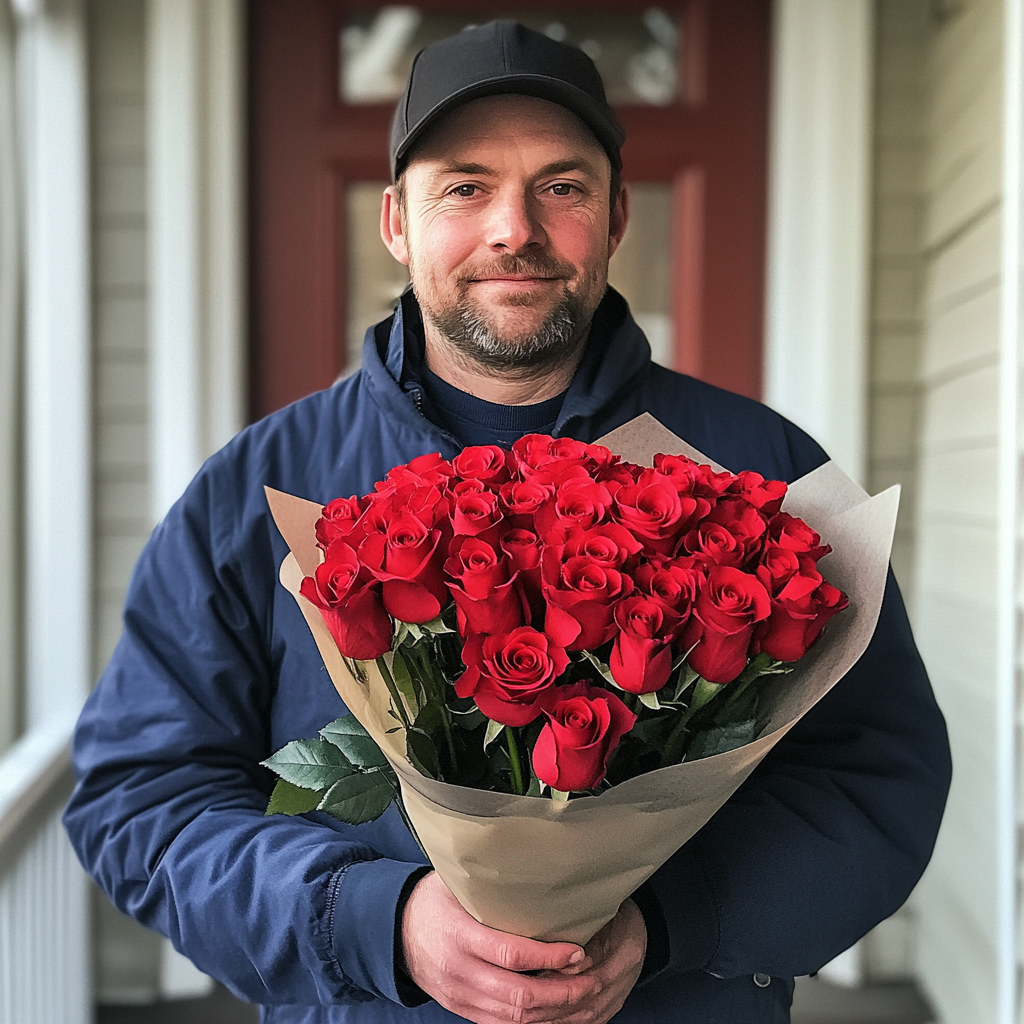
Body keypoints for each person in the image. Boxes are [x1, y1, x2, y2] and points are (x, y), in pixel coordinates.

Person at [64, 21, 951, 1024]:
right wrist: (375, 918)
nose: (513, 229)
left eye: (561, 187)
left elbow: (876, 778)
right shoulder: (255, 491)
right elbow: (140, 800)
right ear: (396, 220)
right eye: (466, 186)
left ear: (617, 216)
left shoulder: (761, 473)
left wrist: (668, 920)